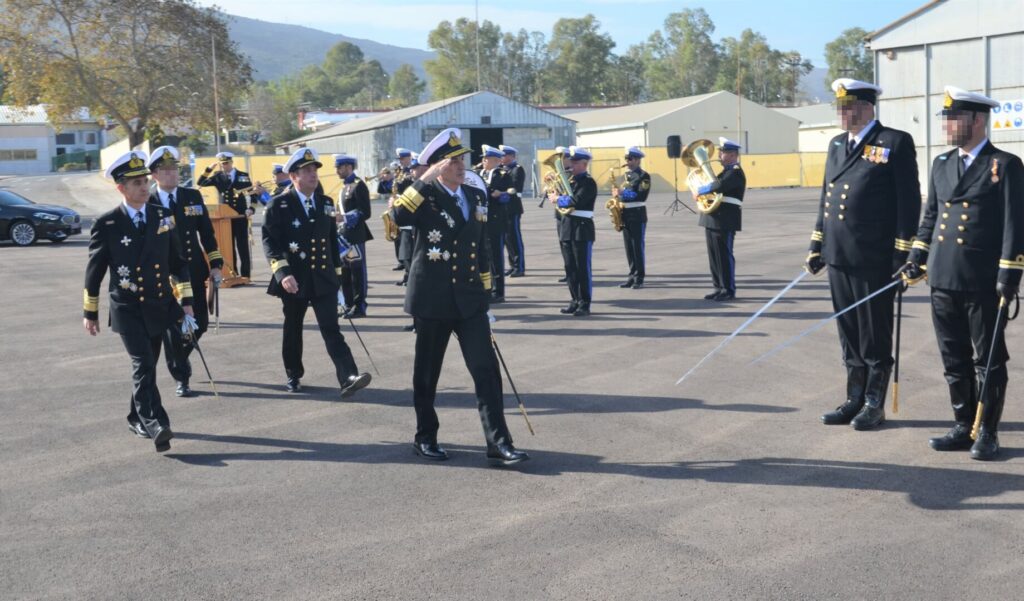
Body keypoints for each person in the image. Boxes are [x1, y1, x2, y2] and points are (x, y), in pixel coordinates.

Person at [390, 127, 529, 465]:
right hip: (433, 298)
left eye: (462, 159)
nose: (461, 165)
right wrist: (424, 180)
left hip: (469, 299)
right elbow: (399, 217)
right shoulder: (424, 196)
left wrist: (485, 290)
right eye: (453, 161)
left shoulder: (475, 196)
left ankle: (498, 442)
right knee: (427, 373)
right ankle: (425, 437)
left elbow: (481, 247)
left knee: (486, 370)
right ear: (438, 166)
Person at [904, 86, 1024, 460]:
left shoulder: (1004, 164)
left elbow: (1014, 224)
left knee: (987, 358)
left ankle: (986, 431)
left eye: (954, 118)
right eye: (946, 117)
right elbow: (931, 216)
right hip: (942, 277)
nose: (947, 124)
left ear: (977, 120)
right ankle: (962, 424)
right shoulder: (941, 164)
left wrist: (1010, 273)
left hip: (982, 279)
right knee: (953, 356)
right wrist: (916, 257)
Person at [806, 78, 921, 430]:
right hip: (839, 255)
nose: (842, 114)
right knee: (849, 332)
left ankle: (874, 402)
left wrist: (903, 256)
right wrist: (817, 243)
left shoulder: (894, 142)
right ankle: (853, 398)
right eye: (839, 107)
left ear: (867, 106)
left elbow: (908, 202)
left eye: (848, 107)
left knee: (874, 334)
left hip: (874, 257)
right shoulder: (837, 144)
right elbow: (827, 197)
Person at [83, 150, 194, 453]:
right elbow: (94, 271)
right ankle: (155, 422)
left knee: (148, 366)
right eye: (135, 183)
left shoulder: (162, 216)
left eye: (145, 181)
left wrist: (186, 300)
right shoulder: (108, 224)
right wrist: (89, 311)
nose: (144, 187)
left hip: (158, 304)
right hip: (128, 307)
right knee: (143, 362)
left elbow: (178, 261)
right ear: (120, 188)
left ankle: (135, 415)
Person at [261, 147, 372, 397]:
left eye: (315, 170)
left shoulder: (325, 203)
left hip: (323, 278)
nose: (313, 174)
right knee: (293, 328)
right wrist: (282, 273)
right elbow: (270, 242)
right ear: (293, 176)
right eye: (306, 170)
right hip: (294, 279)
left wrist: (338, 279)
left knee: (331, 328)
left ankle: (348, 377)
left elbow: (332, 242)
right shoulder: (279, 204)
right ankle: (293, 373)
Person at [147, 146, 224, 397]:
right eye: (166, 170)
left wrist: (215, 264)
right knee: (173, 326)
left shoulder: (192, 196)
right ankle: (182, 377)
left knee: (199, 323)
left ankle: (179, 357)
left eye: (175, 169)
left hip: (193, 269)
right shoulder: (148, 201)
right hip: (165, 275)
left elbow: (207, 234)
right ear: (155, 175)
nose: (172, 174)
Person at [694, 138, 746, 300]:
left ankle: (728, 289)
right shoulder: (724, 172)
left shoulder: (735, 171)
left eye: (722, 153)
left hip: (725, 218)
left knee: (724, 254)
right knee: (714, 255)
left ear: (732, 155)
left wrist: (700, 190)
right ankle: (718, 287)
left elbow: (718, 186)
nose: (718, 155)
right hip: (714, 217)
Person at [549, 146, 597, 317]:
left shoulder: (588, 182)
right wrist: (554, 193)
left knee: (582, 268)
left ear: (584, 164)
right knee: (570, 268)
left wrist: (558, 199)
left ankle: (585, 303)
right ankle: (574, 300)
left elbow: (576, 200)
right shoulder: (570, 181)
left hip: (582, 229)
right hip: (567, 228)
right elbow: (564, 199)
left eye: (575, 162)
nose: (571, 165)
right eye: (572, 162)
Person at [197, 151, 260, 279]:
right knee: (228, 247)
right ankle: (233, 273)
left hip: (239, 216)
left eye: (226, 163)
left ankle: (246, 275)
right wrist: (209, 169)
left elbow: (253, 195)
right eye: (222, 164)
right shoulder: (217, 176)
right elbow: (201, 183)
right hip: (224, 218)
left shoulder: (243, 176)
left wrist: (251, 209)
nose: (224, 166)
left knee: (242, 247)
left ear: (231, 162)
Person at [333, 154, 372, 318]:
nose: (336, 171)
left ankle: (360, 306)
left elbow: (365, 212)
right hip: (343, 236)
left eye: (339, 168)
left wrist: (345, 217)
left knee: (358, 273)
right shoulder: (344, 187)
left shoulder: (359, 185)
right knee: (345, 273)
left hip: (355, 236)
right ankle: (349, 304)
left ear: (348, 167)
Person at [479, 144, 513, 303]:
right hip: (481, 221)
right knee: (484, 256)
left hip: (495, 221)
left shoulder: (502, 175)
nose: (484, 161)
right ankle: (486, 287)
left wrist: (497, 193)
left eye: (487, 159)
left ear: (496, 160)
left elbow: (506, 196)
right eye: (484, 159)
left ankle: (498, 291)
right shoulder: (479, 173)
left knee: (496, 257)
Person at [614, 146, 651, 289]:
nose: (627, 162)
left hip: (637, 213)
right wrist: (617, 195)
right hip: (625, 214)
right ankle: (631, 275)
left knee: (637, 246)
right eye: (626, 159)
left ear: (637, 160)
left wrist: (623, 193)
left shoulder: (644, 176)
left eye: (629, 159)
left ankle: (639, 278)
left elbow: (641, 196)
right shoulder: (625, 176)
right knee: (629, 247)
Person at [500, 145, 527, 277]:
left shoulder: (517, 169)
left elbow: (515, 188)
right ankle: (512, 265)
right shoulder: (502, 170)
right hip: (504, 209)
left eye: (504, 155)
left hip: (513, 208)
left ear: (511, 156)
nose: (502, 158)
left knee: (514, 238)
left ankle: (519, 267)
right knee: (507, 239)